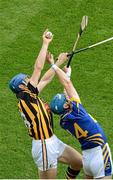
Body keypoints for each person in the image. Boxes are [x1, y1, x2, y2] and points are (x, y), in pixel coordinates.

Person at [9, 29, 82, 179]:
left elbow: (45, 80)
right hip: (43, 145)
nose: (30, 79)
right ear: (22, 86)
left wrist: (58, 63)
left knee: (78, 162)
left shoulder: (30, 96)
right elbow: (38, 68)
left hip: (51, 141)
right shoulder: (25, 98)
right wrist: (45, 43)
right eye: (27, 79)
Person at [49, 54, 113, 179]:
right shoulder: (78, 111)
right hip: (100, 153)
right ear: (67, 106)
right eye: (66, 100)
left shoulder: (63, 121)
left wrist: (67, 74)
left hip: (87, 159)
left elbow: (67, 92)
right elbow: (67, 86)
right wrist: (55, 66)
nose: (67, 99)